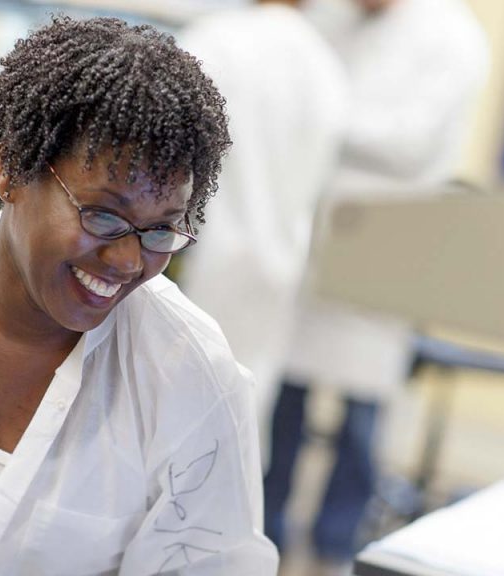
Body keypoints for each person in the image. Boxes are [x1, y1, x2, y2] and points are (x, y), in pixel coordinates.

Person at [0, 15, 278, 576]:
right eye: (103, 216)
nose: (127, 260)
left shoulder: (189, 378)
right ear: (10, 167)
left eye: (162, 229)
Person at [262, 0, 490, 568]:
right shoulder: (336, 20)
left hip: (391, 246)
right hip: (314, 233)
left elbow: (407, 143)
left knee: (362, 409)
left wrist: (322, 119)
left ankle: (339, 546)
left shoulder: (453, 37)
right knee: (284, 395)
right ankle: (266, 529)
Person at [176, 0, 349, 456]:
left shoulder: (218, 40)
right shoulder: (326, 67)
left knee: (173, 410)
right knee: (246, 409)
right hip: (282, 263)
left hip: (203, 259)